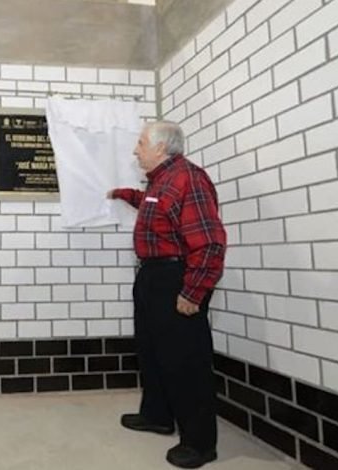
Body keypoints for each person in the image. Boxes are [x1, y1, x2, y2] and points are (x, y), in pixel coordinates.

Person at [107, 121, 226, 469]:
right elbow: (154, 206)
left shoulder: (189, 178)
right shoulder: (161, 181)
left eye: (141, 143)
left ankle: (200, 444)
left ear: (161, 147)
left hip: (176, 278)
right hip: (153, 276)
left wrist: (193, 292)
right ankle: (157, 416)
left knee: (185, 360)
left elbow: (210, 242)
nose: (136, 150)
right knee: (152, 351)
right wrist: (123, 194)